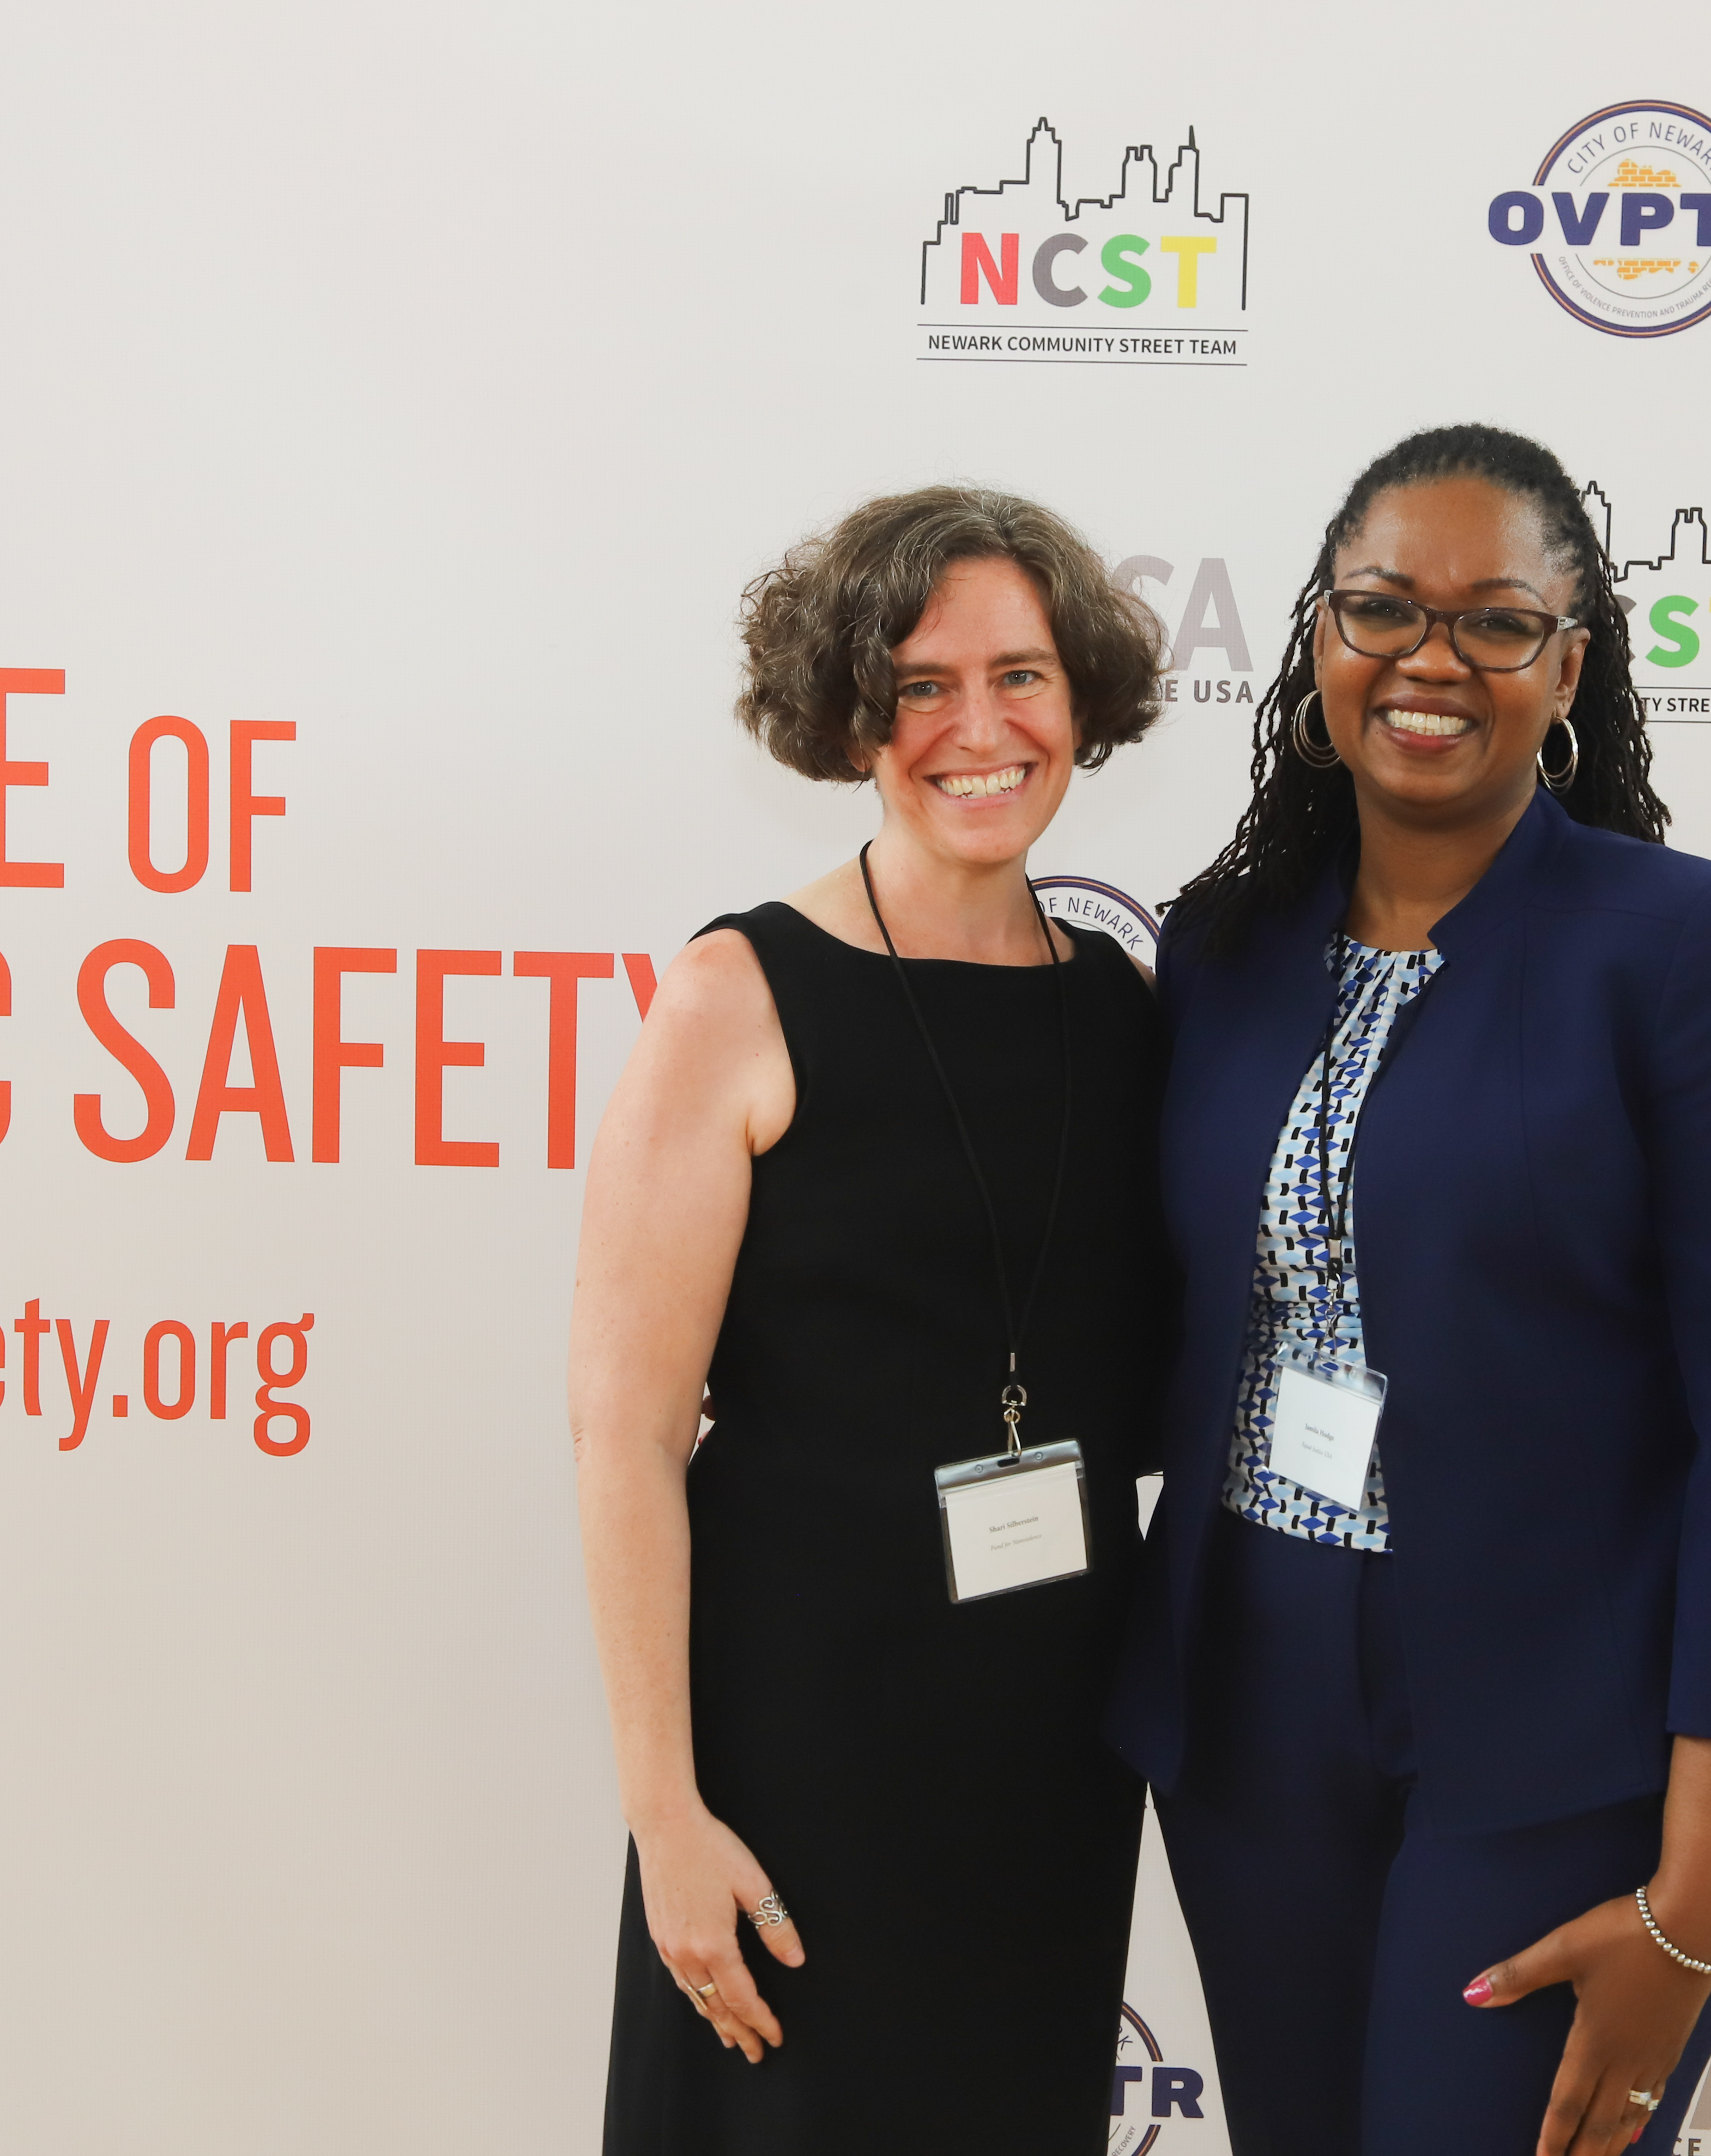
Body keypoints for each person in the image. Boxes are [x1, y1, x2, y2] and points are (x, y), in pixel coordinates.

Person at [1107, 425, 1711, 2156]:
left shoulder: (1692, 949)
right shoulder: (1220, 950)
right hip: (1249, 1701)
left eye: (1495, 620)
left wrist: (1694, 1904)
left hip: (1562, 1725)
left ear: (1569, 665)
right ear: (1319, 635)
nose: (1429, 660)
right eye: (1382, 608)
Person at [574, 486, 1174, 2153]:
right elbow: (625, 1432)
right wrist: (664, 1812)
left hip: (1049, 1748)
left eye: (1019, 675)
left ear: (1081, 696)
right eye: (921, 686)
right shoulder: (738, 995)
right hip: (796, 1749)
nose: (978, 728)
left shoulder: (1124, 1008)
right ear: (850, 716)